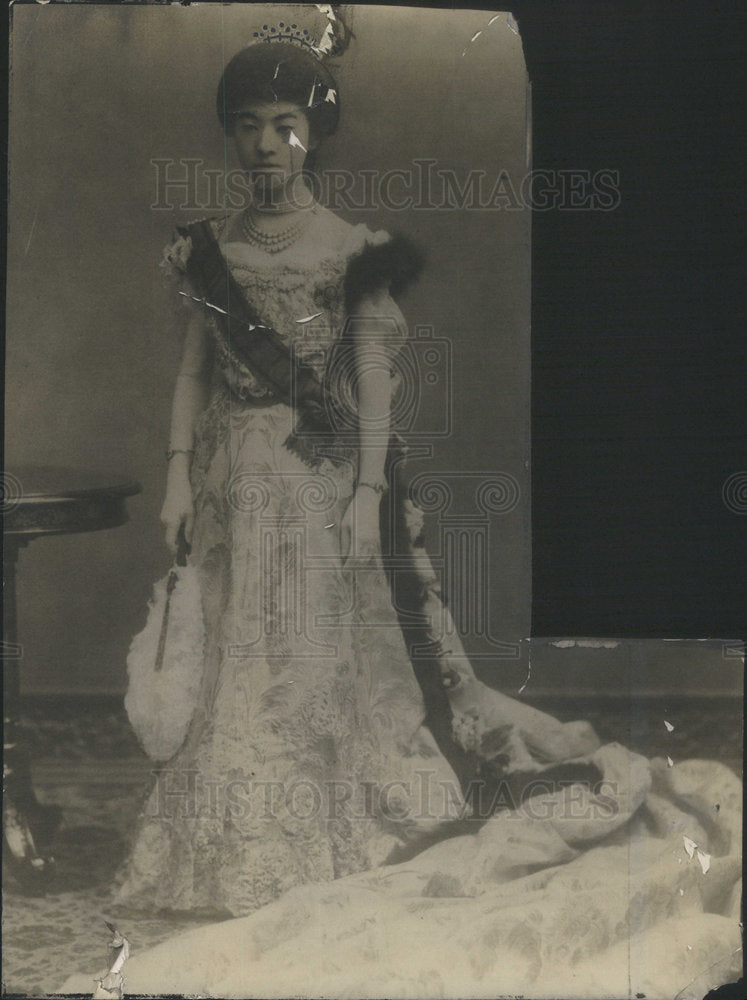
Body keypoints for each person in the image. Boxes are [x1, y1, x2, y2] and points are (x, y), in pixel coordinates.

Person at [114, 36, 470, 917]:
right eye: (248, 127)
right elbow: (195, 374)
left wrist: (366, 498)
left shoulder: (350, 249)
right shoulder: (209, 252)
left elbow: (373, 382)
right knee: (232, 666)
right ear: (232, 139)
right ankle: (225, 852)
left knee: (306, 666)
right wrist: (175, 483)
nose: (266, 145)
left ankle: (315, 843)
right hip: (234, 483)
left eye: (285, 125)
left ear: (314, 134)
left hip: (317, 489)